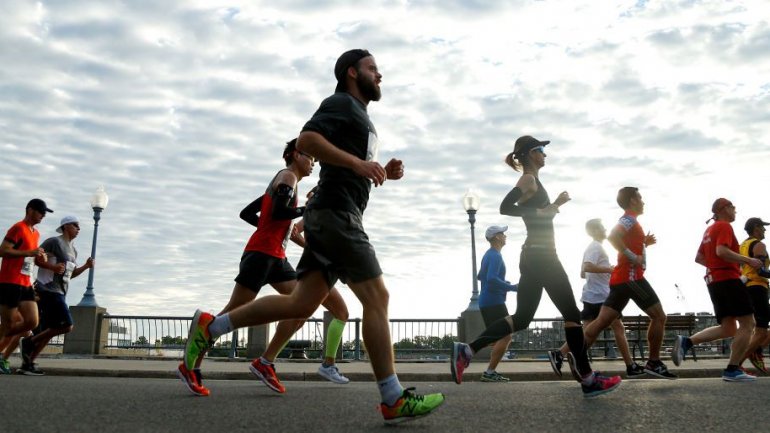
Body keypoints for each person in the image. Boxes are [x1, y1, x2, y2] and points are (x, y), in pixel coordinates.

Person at [181, 49, 444, 424]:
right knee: (377, 297)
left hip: (336, 212)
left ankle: (213, 326)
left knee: (301, 305)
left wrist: (380, 171)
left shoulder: (361, 117)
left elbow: (345, 169)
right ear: (352, 72)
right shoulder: (341, 102)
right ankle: (392, 396)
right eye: (372, 68)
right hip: (338, 217)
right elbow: (307, 139)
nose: (379, 74)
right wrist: (358, 164)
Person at [451, 136, 621, 397]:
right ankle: (588, 378)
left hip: (534, 254)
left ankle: (468, 350)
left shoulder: (535, 181)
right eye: (541, 150)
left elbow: (540, 214)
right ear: (530, 154)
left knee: (522, 317)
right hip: (542, 255)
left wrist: (554, 205)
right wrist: (540, 212)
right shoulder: (528, 180)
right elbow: (505, 207)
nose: (545, 154)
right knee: (572, 315)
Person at [177, 138, 349, 396]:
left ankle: (265, 362)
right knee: (231, 313)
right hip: (261, 255)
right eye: (309, 156)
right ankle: (192, 363)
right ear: (294, 154)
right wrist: (306, 208)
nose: (313, 162)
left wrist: (269, 228)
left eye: (315, 159)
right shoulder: (288, 176)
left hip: (276, 257)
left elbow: (248, 213)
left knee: (303, 306)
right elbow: (280, 211)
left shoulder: (283, 180)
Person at [579, 188, 676, 379]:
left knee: (599, 323)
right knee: (659, 317)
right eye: (640, 198)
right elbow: (614, 236)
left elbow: (624, 242)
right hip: (631, 278)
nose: (643, 201)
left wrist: (643, 244)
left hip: (620, 280)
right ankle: (654, 362)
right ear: (632, 201)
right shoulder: (629, 218)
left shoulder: (632, 221)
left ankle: (573, 356)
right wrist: (633, 257)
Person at [672, 198, 762, 381]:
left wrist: (715, 267)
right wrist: (748, 261)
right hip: (728, 279)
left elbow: (699, 257)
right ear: (723, 209)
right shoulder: (724, 226)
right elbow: (721, 251)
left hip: (714, 280)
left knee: (728, 328)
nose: (735, 210)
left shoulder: (709, 229)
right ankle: (732, 369)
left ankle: (687, 341)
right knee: (748, 323)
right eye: (733, 207)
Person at [548, 218, 646, 379]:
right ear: (593, 231)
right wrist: (610, 269)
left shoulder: (592, 248)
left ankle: (561, 354)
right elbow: (587, 268)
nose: (605, 230)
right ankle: (630, 366)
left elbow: (582, 273)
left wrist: (604, 271)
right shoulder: (596, 247)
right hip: (602, 296)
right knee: (618, 328)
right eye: (601, 228)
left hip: (590, 295)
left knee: (587, 333)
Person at [19, 215, 94, 375]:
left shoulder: (74, 250)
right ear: (66, 226)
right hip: (47, 289)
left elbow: (70, 275)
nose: (79, 229)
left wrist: (86, 267)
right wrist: (51, 268)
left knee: (51, 329)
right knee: (67, 325)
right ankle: (28, 342)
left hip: (61, 291)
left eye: (79, 226)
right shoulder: (54, 241)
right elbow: (36, 259)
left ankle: (28, 363)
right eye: (76, 225)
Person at [0, 199, 52, 373]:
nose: (43, 215)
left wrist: (39, 258)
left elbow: (30, 258)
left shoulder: (35, 234)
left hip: (26, 283)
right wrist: (30, 252)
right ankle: (2, 355)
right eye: (40, 211)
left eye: (45, 213)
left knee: (31, 322)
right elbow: (3, 250)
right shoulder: (18, 228)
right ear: (30, 210)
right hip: (9, 282)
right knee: (9, 325)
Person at [477, 225, 518, 382]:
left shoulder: (489, 255)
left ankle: (490, 371)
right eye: (503, 233)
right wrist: (512, 287)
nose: (505, 236)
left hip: (487, 301)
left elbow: (480, 276)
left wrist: (502, 283)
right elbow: (491, 279)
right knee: (506, 336)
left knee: (497, 337)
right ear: (497, 237)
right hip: (494, 302)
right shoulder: (495, 256)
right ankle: (489, 371)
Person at [738, 217, 770, 374]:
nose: (765, 230)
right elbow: (761, 270)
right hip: (758, 288)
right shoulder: (759, 244)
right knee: (762, 330)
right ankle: (737, 363)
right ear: (756, 227)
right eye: (763, 227)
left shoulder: (742, 245)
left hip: (747, 288)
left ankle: (755, 351)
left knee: (759, 329)